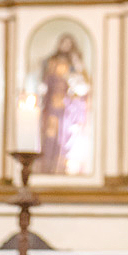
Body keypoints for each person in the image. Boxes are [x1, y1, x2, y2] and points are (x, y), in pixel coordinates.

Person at [33, 34, 90, 174]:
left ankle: (63, 166)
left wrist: (76, 64)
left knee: (66, 136)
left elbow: (82, 83)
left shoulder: (74, 63)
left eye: (68, 43)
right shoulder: (50, 61)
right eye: (63, 42)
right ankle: (48, 165)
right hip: (52, 104)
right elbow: (43, 80)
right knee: (50, 134)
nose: (65, 46)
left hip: (67, 107)